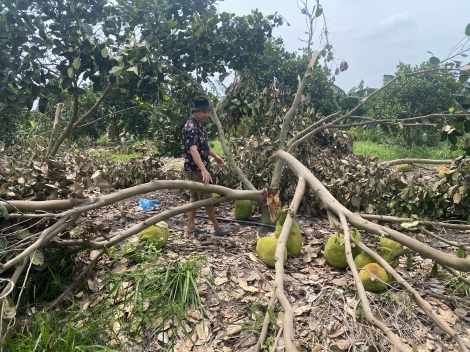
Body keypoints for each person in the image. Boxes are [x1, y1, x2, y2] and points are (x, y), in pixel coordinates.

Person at [182, 97, 231, 236]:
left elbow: (203, 147)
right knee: (207, 196)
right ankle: (217, 227)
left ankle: (190, 226)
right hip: (195, 168)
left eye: (208, 112)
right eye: (204, 111)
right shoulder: (190, 127)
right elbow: (193, 150)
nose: (206, 115)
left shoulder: (198, 126)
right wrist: (203, 169)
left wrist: (215, 156)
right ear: (195, 111)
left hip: (199, 167)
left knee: (195, 197)